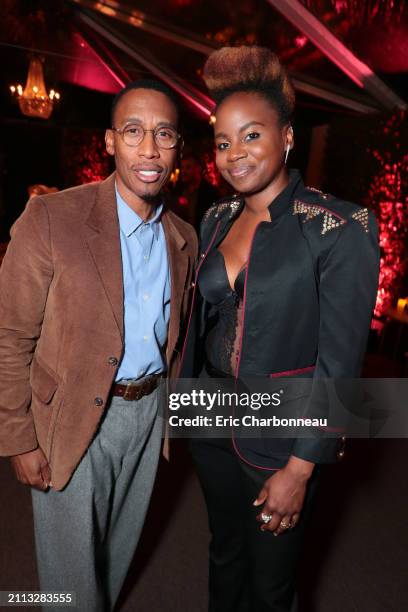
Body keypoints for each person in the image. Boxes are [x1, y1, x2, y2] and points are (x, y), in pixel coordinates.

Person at [178, 47, 380, 611]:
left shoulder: (339, 225)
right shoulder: (217, 218)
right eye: (222, 142)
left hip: (282, 432)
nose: (234, 154)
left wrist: (302, 465)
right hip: (210, 416)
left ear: (287, 138)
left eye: (251, 136)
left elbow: (341, 365)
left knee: (272, 585)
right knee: (224, 553)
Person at [0, 79, 197, 611]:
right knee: (71, 586)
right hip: (68, 414)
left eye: (164, 134)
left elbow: (175, 337)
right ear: (110, 141)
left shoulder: (185, 236)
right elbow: (10, 336)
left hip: (149, 414)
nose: (150, 149)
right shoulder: (51, 218)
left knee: (114, 559)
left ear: (179, 146)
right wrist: (17, 438)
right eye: (133, 131)